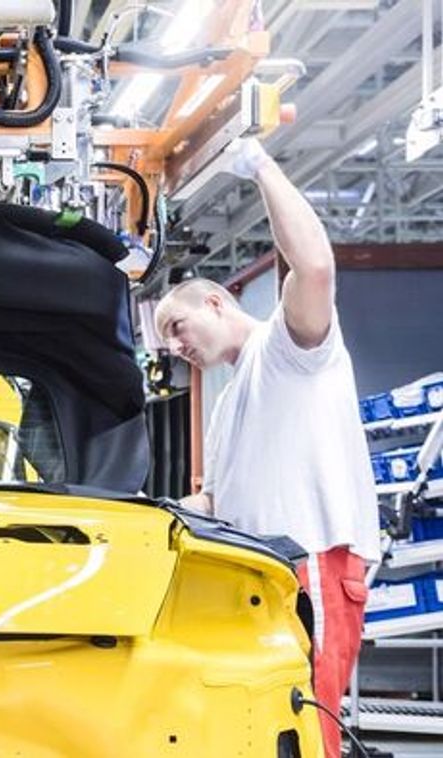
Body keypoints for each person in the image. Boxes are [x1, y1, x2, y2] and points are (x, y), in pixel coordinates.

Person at [154, 138, 378, 758]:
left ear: (216, 303)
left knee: (307, 726)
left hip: (312, 564)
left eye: (176, 327)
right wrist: (149, 514)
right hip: (263, 575)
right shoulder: (228, 402)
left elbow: (315, 269)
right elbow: (214, 501)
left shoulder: (287, 350)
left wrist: (260, 166)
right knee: (265, 731)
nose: (174, 346)